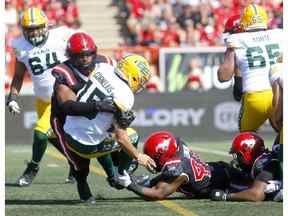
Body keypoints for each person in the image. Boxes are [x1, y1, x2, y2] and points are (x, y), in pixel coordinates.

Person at [50, 39, 156, 203]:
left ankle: (104, 178)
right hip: (86, 144)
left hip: (69, 129)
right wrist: (138, 156)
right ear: (133, 76)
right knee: (132, 136)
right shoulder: (126, 95)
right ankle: (122, 175)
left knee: (107, 132)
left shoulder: (103, 68)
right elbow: (121, 138)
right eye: (140, 79)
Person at [7, 7, 76, 186]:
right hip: (44, 101)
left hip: (66, 96)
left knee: (43, 134)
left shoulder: (60, 36)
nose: (34, 32)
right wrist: (12, 97)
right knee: (51, 136)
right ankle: (74, 164)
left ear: (46, 25)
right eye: (30, 29)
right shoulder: (20, 45)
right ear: (23, 30)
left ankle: (33, 167)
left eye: (37, 27)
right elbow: (18, 76)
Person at [114, 131, 251, 200]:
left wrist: (129, 184)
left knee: (254, 186)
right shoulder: (177, 147)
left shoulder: (178, 169)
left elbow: (158, 194)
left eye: (153, 158)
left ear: (163, 154)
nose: (152, 161)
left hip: (226, 181)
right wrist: (147, 182)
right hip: (217, 170)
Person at [217, 4, 283, 132]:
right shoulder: (280, 35)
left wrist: (230, 52)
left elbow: (223, 77)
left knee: (246, 138)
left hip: (256, 96)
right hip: (279, 92)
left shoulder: (236, 39)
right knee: (282, 133)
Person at [210, 132, 282, 202]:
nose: (237, 159)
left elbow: (256, 195)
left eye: (239, 155)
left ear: (248, 151)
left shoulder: (266, 163)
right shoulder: (263, 159)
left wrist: (225, 196)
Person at [222, 14, 243, 102]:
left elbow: (223, 77)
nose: (229, 35)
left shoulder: (238, 46)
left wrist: (231, 51)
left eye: (230, 32)